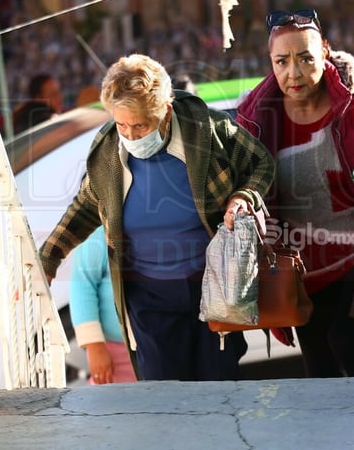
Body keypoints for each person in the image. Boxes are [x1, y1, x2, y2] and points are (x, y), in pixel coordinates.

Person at [39, 53, 275, 382]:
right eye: (122, 125)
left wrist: (244, 196)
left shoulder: (207, 130)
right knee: (163, 398)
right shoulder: (108, 150)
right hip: (150, 298)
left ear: (165, 111)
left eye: (141, 125)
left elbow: (262, 164)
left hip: (213, 287)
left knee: (220, 392)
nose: (132, 136)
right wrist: (49, 257)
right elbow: (86, 205)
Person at [236, 8, 354, 378]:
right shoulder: (256, 115)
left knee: (348, 338)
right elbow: (246, 181)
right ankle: (329, 437)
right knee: (319, 362)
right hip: (302, 265)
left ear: (325, 51)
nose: (294, 72)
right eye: (282, 61)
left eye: (306, 58)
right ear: (270, 61)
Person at [70, 227, 138, 384]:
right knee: (110, 402)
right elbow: (82, 285)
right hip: (114, 347)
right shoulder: (98, 231)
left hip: (157, 342)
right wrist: (95, 345)